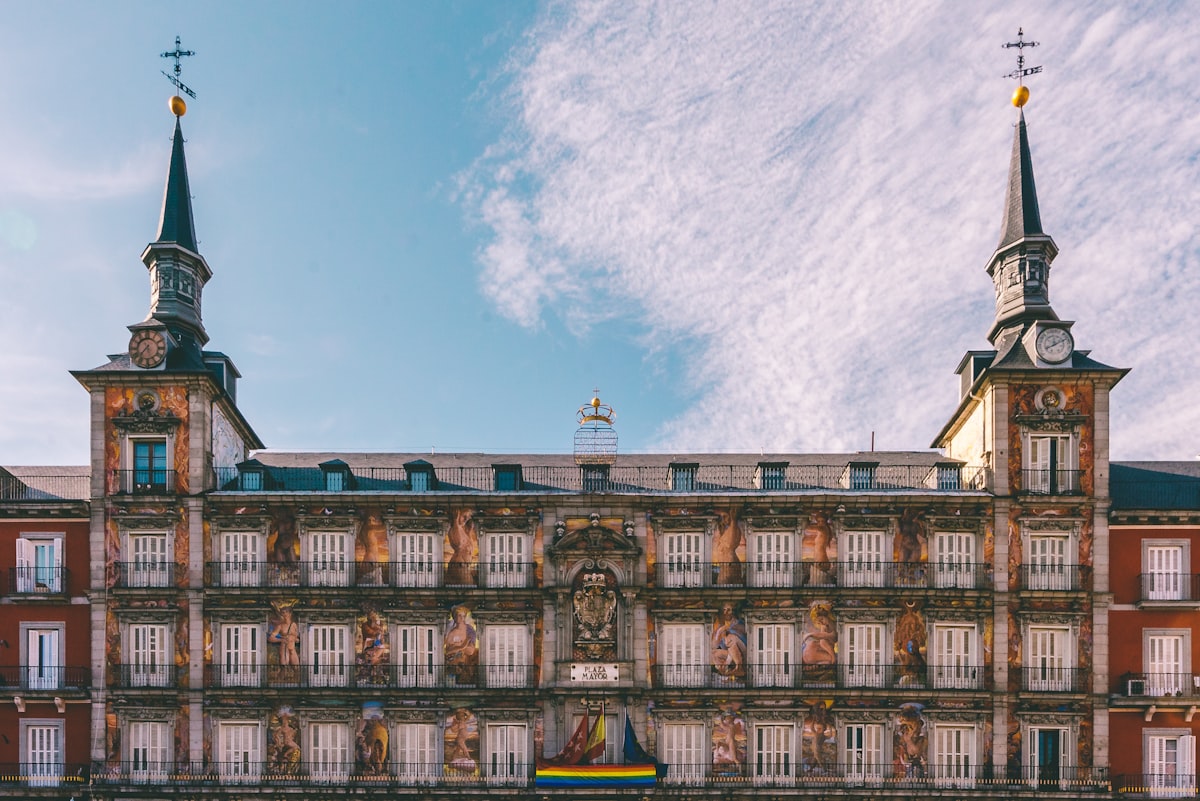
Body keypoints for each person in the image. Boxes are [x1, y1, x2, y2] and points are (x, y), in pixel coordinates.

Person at [710, 603, 747, 679]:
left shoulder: (738, 624)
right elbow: (714, 645)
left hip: (742, 652)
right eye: (724, 610)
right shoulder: (719, 625)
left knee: (731, 638)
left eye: (729, 610)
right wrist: (719, 632)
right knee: (713, 653)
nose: (725, 612)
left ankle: (739, 668)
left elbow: (739, 639)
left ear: (733, 611)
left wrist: (727, 662)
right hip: (731, 655)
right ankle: (724, 673)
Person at [444, 605, 478, 684]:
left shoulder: (469, 630)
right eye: (459, 615)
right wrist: (462, 646)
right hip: (453, 664)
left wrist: (456, 648)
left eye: (463, 616)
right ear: (455, 617)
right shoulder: (451, 633)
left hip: (465, 664)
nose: (462, 618)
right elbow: (448, 651)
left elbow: (471, 650)